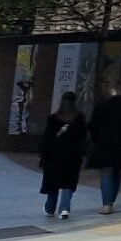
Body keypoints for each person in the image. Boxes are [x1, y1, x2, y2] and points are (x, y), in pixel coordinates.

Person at [86, 85, 121, 214]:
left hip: (104, 144)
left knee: (106, 173)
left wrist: (96, 140)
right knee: (117, 172)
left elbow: (93, 126)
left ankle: (107, 204)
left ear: (112, 92)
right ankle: (111, 200)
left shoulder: (101, 106)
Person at [37, 93, 88, 221]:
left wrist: (42, 155)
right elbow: (83, 137)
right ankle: (64, 208)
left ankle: (50, 208)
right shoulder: (79, 118)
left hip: (53, 156)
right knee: (68, 183)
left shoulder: (53, 118)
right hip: (72, 156)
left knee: (53, 182)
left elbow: (47, 138)